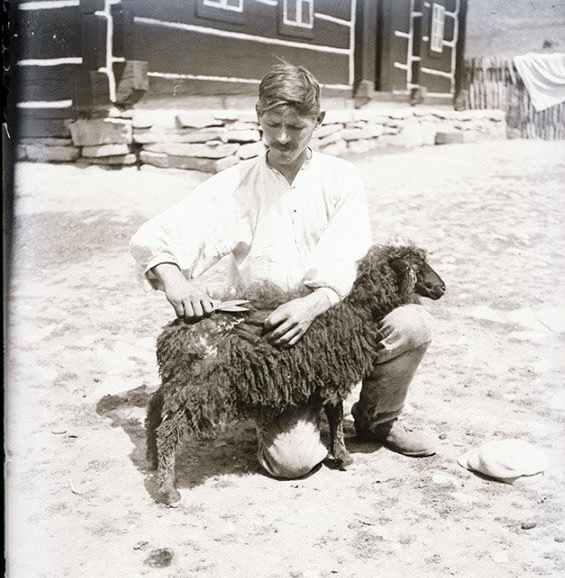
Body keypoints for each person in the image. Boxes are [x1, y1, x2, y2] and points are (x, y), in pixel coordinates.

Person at [130, 62, 437, 480]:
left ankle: (376, 422)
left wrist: (315, 301)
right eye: (272, 123)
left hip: (331, 323)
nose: (281, 137)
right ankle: (268, 404)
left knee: (412, 322)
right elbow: (159, 235)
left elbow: (347, 253)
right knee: (292, 463)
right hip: (270, 343)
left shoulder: (342, 178)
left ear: (318, 121)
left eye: (296, 125)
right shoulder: (233, 186)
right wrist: (173, 274)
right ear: (258, 115)